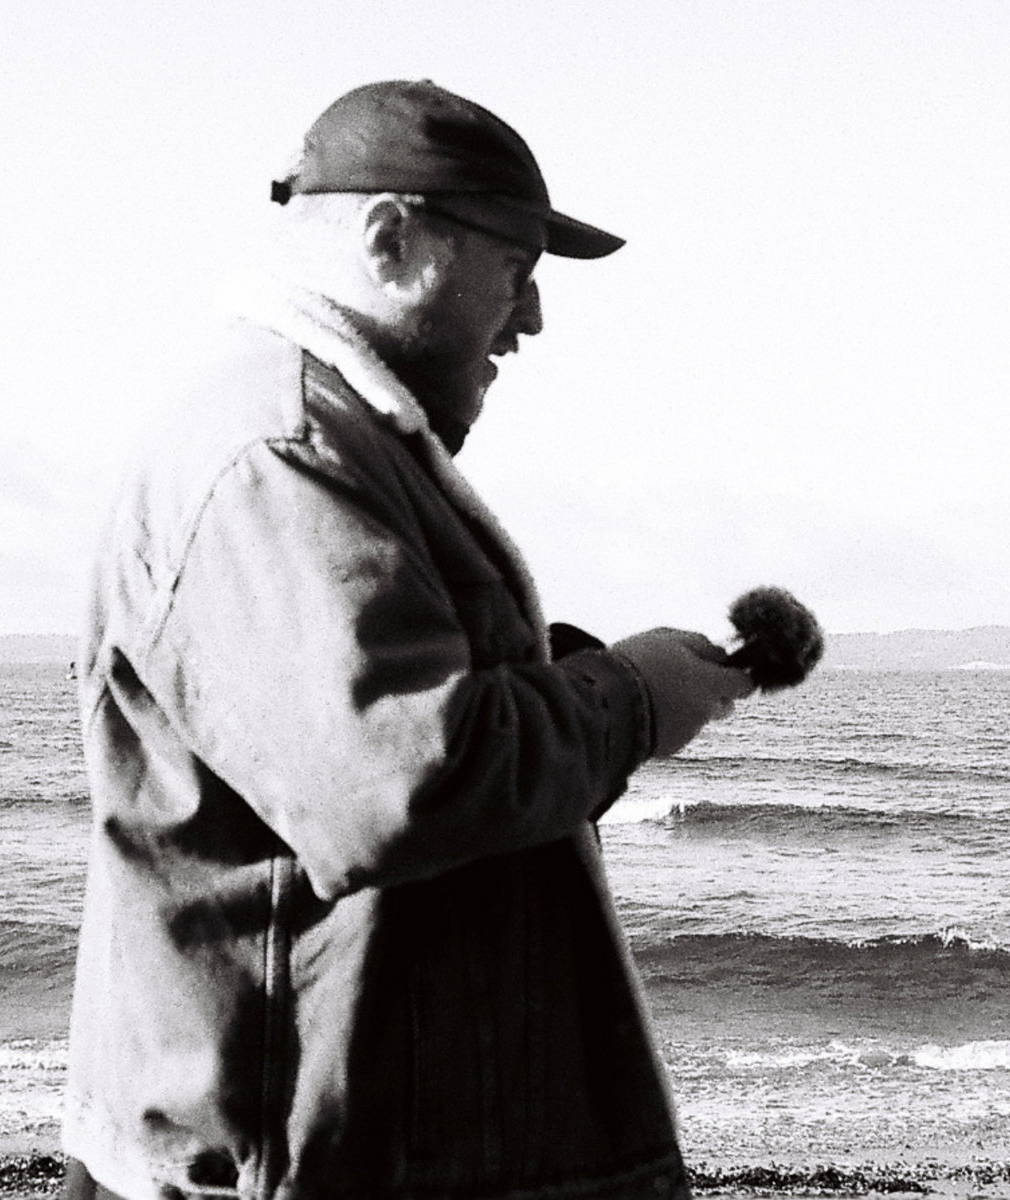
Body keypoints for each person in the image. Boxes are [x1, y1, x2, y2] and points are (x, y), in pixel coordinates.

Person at [61, 79, 753, 1200]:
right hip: (298, 1168)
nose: (532, 319)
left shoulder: (322, 436)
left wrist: (594, 672)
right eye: (516, 270)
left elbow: (377, 719)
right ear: (390, 240)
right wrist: (630, 697)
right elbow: (398, 782)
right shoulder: (277, 453)